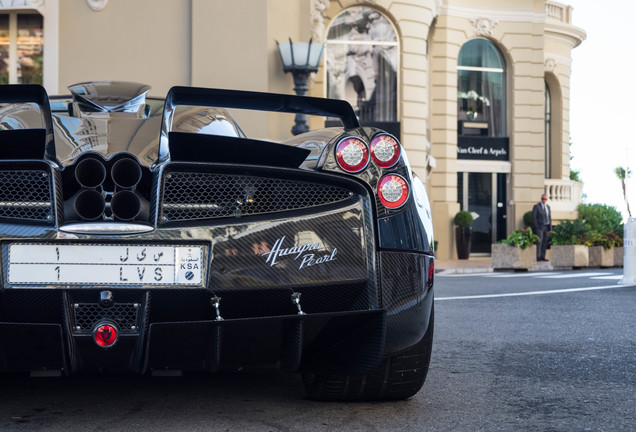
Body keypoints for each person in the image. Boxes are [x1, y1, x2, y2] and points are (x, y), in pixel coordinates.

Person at [532, 194, 552, 261]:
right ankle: (538, 257)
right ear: (541, 199)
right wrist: (537, 227)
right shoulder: (536, 206)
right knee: (539, 242)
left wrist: (550, 228)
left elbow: (549, 217)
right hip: (540, 227)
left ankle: (543, 257)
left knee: (545, 242)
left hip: (547, 227)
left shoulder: (548, 207)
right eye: (543, 199)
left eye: (545, 199)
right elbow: (534, 217)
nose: (544, 200)